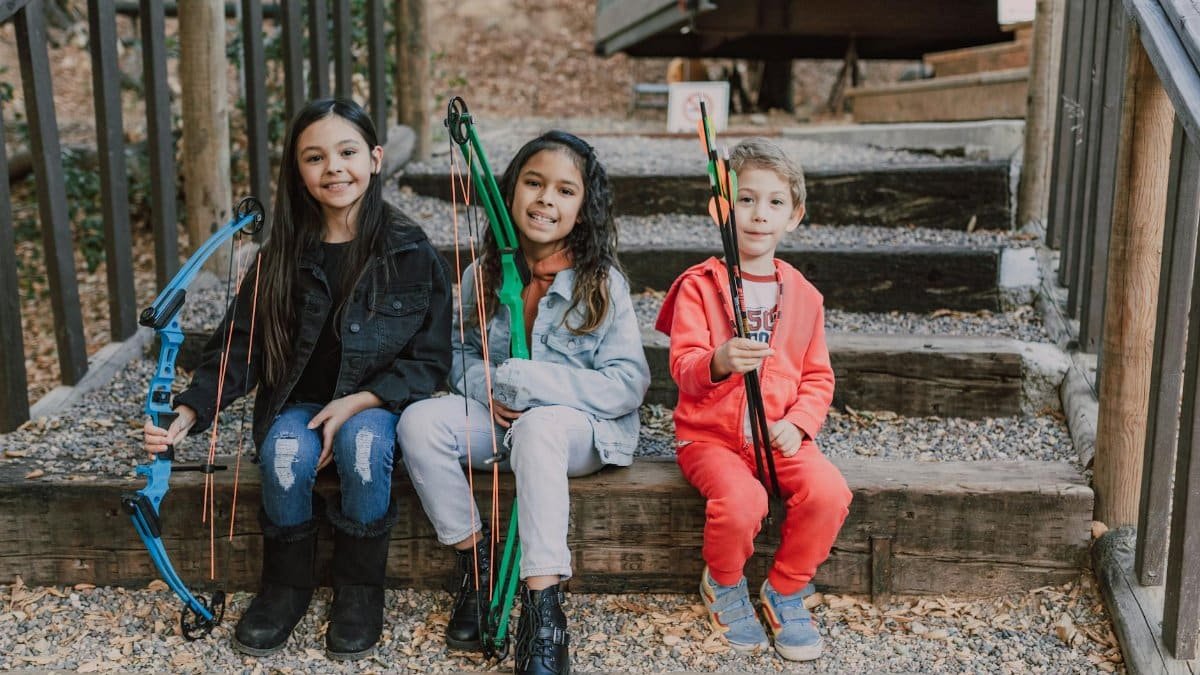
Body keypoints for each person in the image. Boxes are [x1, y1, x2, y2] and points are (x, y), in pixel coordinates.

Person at [142, 98, 452, 660]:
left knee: (363, 447)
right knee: (285, 452)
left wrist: (362, 399)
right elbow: (242, 344)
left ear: (376, 158)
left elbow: (432, 360)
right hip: (297, 402)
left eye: (348, 151)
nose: (334, 167)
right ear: (298, 172)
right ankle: (285, 586)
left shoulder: (411, 252)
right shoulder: (280, 255)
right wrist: (189, 409)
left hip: (376, 405)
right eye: (315, 157)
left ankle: (359, 590)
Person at [396, 130, 650, 675]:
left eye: (564, 191)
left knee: (540, 431)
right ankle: (477, 566)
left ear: (582, 210)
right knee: (418, 422)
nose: (545, 200)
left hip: (580, 435)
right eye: (533, 184)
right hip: (504, 425)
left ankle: (543, 611)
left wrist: (535, 382)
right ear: (510, 192)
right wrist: (483, 384)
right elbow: (457, 354)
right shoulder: (482, 276)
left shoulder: (601, 284)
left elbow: (628, 384)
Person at [654, 137, 851, 662]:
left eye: (775, 202)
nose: (759, 214)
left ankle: (785, 587)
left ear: (795, 216)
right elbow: (683, 367)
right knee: (745, 501)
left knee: (829, 492)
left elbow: (818, 377)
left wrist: (802, 422)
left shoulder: (805, 295)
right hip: (710, 439)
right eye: (745, 199)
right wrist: (718, 360)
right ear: (721, 207)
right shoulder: (700, 286)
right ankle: (722, 581)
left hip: (778, 435)